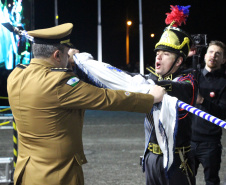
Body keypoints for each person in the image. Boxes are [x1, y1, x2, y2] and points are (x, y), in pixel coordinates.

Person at [7, 23, 166, 185]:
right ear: (57, 55)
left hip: (26, 172)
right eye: (64, 55)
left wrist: (66, 60)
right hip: (57, 175)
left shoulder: (16, 74)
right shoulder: (59, 83)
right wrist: (149, 98)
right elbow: (106, 97)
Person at [141, 6, 197, 185]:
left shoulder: (188, 81)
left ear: (179, 60)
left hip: (177, 161)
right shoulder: (151, 79)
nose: (158, 58)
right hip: (151, 158)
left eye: (165, 54)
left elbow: (180, 89)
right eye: (158, 53)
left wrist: (152, 82)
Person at [191, 40, 226, 185]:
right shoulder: (193, 75)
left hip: (210, 143)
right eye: (211, 52)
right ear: (205, 56)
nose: (214, 56)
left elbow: (223, 113)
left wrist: (203, 101)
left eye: (218, 54)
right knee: (184, 180)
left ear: (224, 60)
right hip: (188, 141)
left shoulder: (224, 82)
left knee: (211, 181)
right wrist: (188, 55)